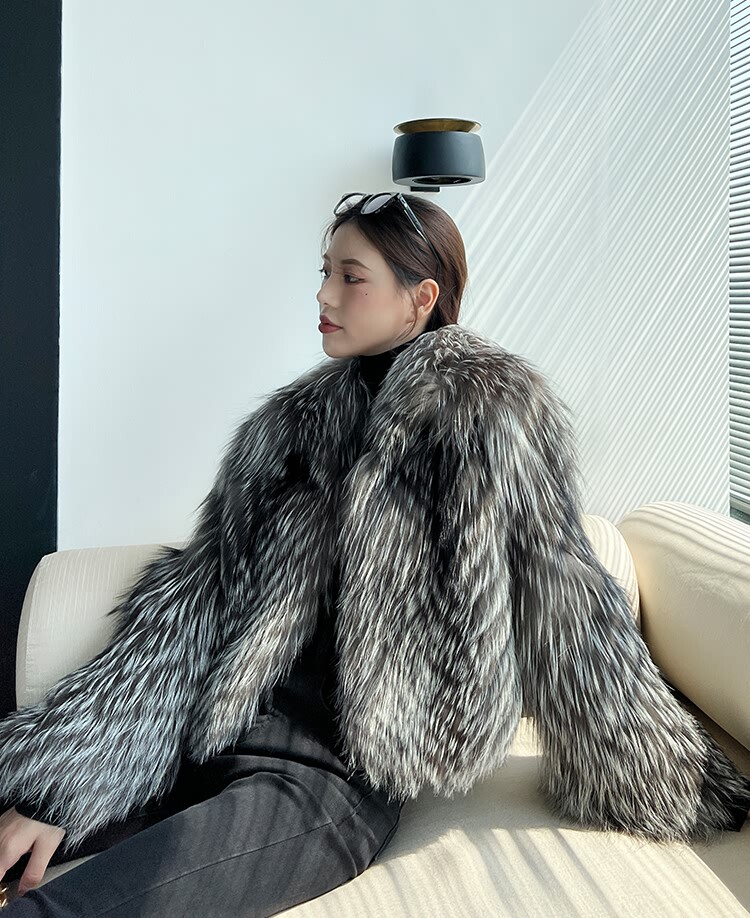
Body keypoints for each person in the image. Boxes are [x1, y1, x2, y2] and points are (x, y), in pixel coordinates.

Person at [0, 191, 749, 916]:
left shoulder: (489, 414)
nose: (324, 293)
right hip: (214, 725)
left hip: (331, 768)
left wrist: (669, 774)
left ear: (420, 298)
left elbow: (565, 599)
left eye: (351, 276)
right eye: (325, 271)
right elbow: (198, 593)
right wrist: (63, 784)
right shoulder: (289, 424)